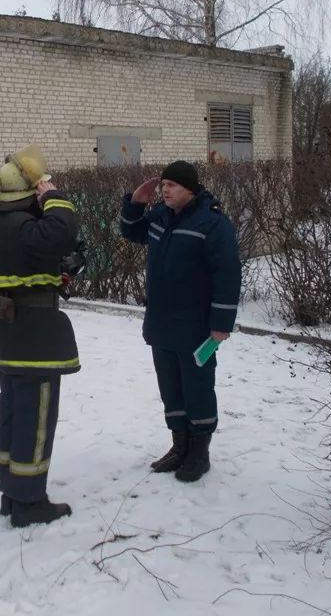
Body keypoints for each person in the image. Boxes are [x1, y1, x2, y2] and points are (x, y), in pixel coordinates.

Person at [0, 145, 82, 528]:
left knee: (13, 416)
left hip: (8, 343)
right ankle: (30, 502)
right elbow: (64, 229)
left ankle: (11, 492)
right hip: (38, 345)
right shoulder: (33, 229)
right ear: (31, 190)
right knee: (36, 422)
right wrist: (52, 194)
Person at [119, 160, 241, 482]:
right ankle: (180, 446)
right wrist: (136, 204)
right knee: (171, 389)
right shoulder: (161, 216)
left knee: (197, 388)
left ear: (190, 188)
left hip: (195, 327)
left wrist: (221, 323)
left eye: (172, 185)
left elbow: (227, 273)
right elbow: (131, 231)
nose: (165, 190)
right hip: (161, 323)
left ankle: (199, 453)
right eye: (164, 185)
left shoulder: (213, 224)